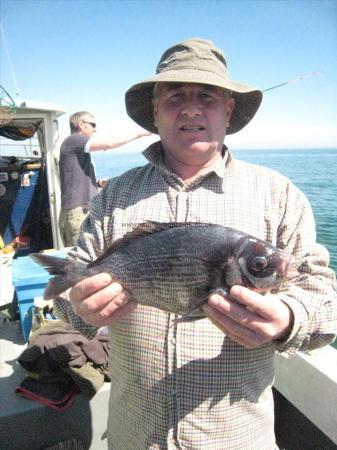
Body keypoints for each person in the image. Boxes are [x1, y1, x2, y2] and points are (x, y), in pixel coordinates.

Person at [55, 39, 337, 449]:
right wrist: (81, 306)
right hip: (135, 436)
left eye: (206, 95)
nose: (190, 107)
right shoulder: (114, 196)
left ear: (228, 109)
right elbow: (67, 297)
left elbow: (324, 296)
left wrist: (289, 318)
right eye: (174, 96)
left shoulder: (279, 194)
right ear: (155, 112)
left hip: (237, 439)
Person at [58, 111, 151, 246]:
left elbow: (74, 175)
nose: (95, 129)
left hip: (80, 209)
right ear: (81, 125)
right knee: (77, 258)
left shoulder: (75, 146)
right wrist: (140, 133)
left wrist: (98, 183)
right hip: (78, 211)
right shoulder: (74, 139)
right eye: (92, 124)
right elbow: (110, 143)